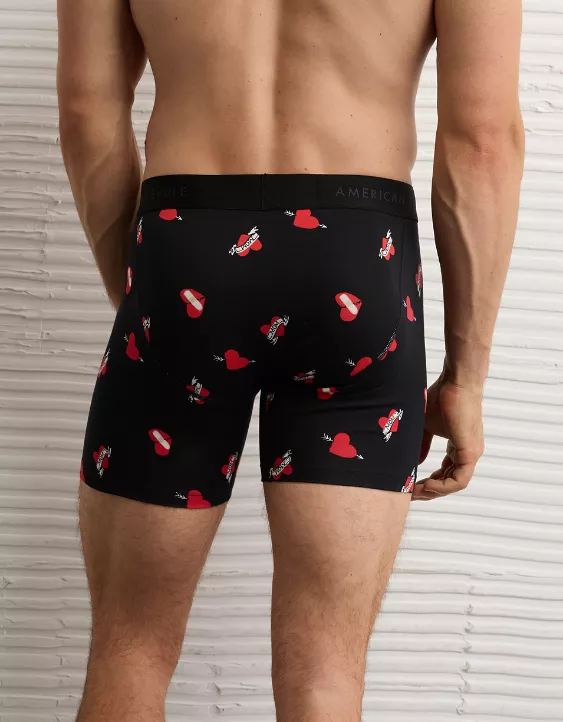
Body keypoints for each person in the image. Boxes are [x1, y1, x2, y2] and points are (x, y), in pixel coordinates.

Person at [56, 1, 525, 720]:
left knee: (132, 651)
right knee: (325, 676)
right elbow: (482, 139)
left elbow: (88, 113)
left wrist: (153, 302)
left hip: (186, 239)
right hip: (358, 256)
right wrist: (465, 377)